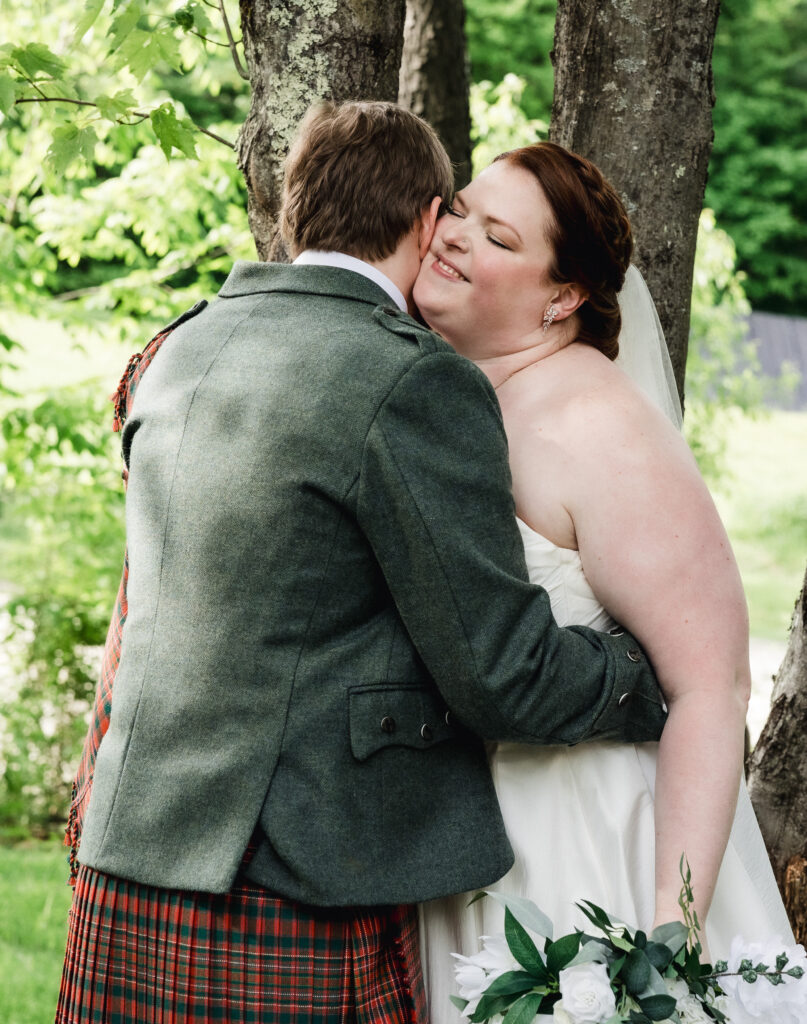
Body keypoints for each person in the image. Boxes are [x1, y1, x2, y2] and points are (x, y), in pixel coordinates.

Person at [56, 105, 668, 1024]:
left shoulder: (178, 348)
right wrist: (641, 671)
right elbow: (504, 675)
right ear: (425, 221)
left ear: (294, 204)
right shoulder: (411, 379)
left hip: (125, 860)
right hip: (291, 878)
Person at [413, 142, 795, 1021]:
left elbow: (710, 683)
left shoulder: (595, 424)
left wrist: (673, 928)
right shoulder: (450, 395)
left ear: (561, 297)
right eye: (460, 210)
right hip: (459, 845)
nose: (457, 237)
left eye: (500, 238)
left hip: (583, 847)